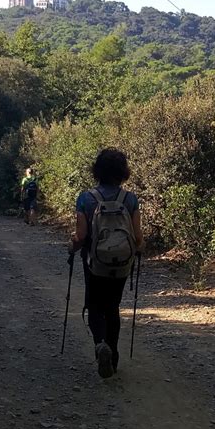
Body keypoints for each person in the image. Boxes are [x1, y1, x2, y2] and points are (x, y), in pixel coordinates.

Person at [69, 148, 144, 379]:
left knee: (94, 306)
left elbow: (81, 236)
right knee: (112, 307)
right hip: (121, 264)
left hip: (95, 263)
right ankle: (113, 356)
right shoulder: (129, 199)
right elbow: (138, 237)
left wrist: (72, 247)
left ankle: (100, 343)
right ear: (123, 172)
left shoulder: (86, 198)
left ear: (97, 170)